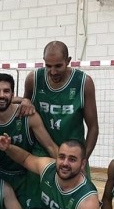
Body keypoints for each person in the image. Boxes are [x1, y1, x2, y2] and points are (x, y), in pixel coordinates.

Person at [22, 41, 98, 187]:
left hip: (73, 155)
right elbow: (26, 111)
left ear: (68, 61)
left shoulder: (84, 82)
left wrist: (83, 160)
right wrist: (24, 100)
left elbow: (93, 127)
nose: (53, 71)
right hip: (41, 152)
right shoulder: (33, 79)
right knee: (37, 200)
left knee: (76, 199)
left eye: (58, 66)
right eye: (48, 66)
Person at [0, 73, 58, 208]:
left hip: (26, 176)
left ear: (12, 94)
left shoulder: (28, 117)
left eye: (6, 91)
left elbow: (50, 146)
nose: (1, 95)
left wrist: (72, 174)